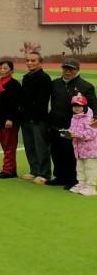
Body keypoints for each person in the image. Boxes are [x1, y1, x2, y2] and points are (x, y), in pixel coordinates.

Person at [48, 57, 97, 189]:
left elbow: (94, 105)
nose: (68, 71)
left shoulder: (86, 86)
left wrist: (95, 118)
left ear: (77, 70)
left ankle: (73, 179)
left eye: (72, 69)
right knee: (56, 152)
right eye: (66, 68)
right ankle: (60, 177)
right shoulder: (55, 83)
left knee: (70, 154)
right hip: (55, 124)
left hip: (75, 128)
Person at [20, 52, 52, 184]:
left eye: (33, 60)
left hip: (39, 119)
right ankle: (34, 171)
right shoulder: (26, 77)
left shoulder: (44, 78)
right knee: (30, 146)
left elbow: (42, 101)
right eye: (28, 60)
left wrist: (35, 116)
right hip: (26, 118)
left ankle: (44, 174)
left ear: (40, 62)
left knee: (41, 147)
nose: (30, 63)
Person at [0, 59, 21, 179]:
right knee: (5, 145)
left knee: (9, 146)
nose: (2, 70)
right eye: (0, 68)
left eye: (5, 68)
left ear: (11, 71)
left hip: (8, 120)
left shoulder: (13, 84)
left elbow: (15, 104)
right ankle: (10, 168)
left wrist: (10, 118)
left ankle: (8, 170)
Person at [67, 95, 97, 196]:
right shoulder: (74, 118)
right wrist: (68, 133)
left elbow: (92, 133)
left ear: (84, 106)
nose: (76, 108)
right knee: (80, 168)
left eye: (79, 105)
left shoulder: (91, 118)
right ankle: (82, 184)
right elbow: (72, 130)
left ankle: (91, 187)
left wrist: (78, 135)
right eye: (74, 105)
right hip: (79, 149)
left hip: (90, 149)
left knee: (90, 168)